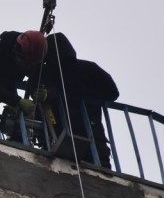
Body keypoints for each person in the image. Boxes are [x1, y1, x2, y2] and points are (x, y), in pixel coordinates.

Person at [37, 33, 120, 168]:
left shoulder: (88, 70)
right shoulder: (49, 74)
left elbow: (113, 93)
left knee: (98, 170)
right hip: (63, 139)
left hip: (91, 138)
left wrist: (80, 93)